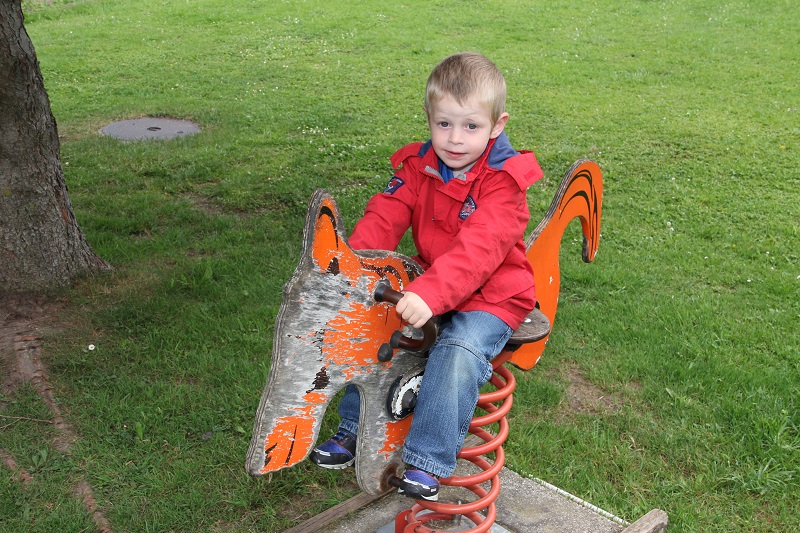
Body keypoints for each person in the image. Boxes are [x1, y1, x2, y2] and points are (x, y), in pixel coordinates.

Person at [309, 52, 543, 501]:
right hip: (433, 282)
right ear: (429, 118)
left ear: (496, 126)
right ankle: (355, 427)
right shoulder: (420, 166)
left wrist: (430, 294)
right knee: (381, 329)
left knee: (457, 350)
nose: (455, 138)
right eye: (444, 124)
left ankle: (427, 459)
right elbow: (385, 215)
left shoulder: (503, 183)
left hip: (493, 295)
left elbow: (479, 251)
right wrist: (352, 266)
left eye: (471, 126)